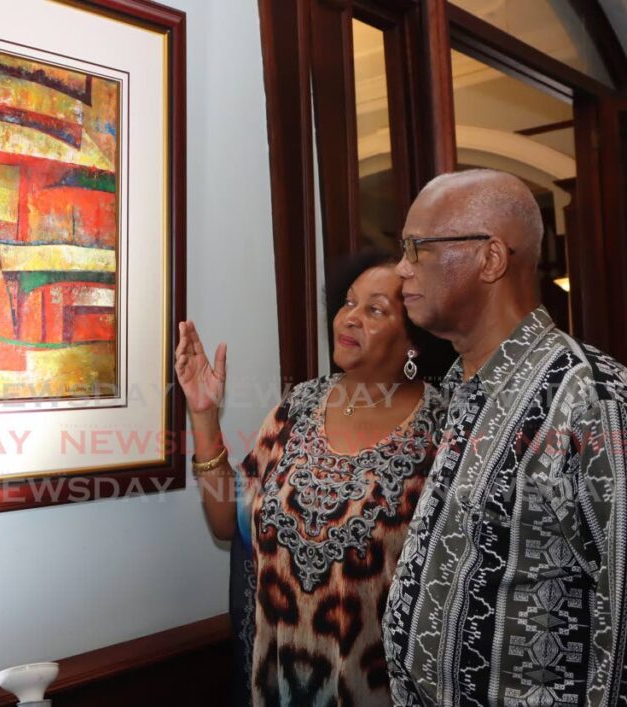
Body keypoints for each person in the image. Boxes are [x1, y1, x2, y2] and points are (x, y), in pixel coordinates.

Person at [383, 169, 627, 706]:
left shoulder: (589, 397)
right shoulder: (461, 388)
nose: (401, 268)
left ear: (491, 258)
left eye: (417, 247)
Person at [175, 250, 455, 706]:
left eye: (375, 310)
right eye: (348, 302)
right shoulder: (298, 405)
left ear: (415, 341)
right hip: (276, 684)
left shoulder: (445, 428)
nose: (350, 318)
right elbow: (227, 522)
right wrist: (204, 416)